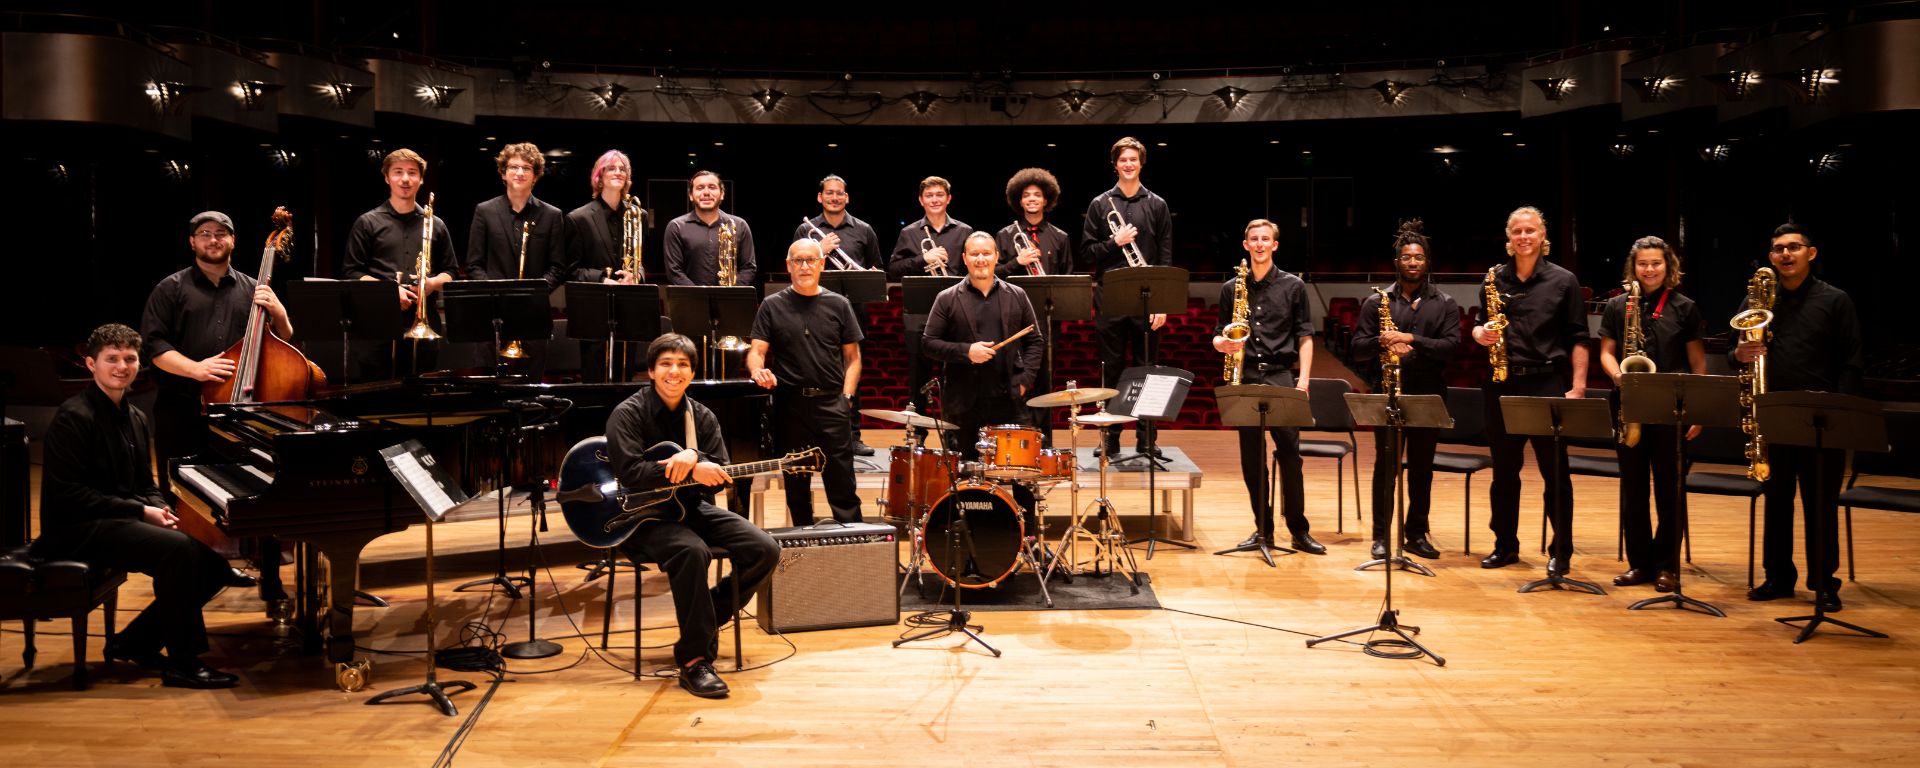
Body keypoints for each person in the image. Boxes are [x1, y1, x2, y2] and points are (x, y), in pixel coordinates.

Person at [33, 324, 247, 689]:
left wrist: (160, 509)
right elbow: (69, 496)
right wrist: (140, 513)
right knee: (178, 551)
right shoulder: (74, 417)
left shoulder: (135, 416)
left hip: (113, 520)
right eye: (111, 359)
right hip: (75, 529)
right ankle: (183, 663)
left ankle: (135, 642)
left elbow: (144, 484)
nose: (122, 366)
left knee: (212, 565)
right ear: (91, 364)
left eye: (129, 358)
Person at [607, 333, 778, 699]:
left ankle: (706, 615)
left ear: (692, 373)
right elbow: (630, 474)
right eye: (666, 363)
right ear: (651, 371)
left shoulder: (701, 416)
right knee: (692, 551)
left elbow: (720, 473)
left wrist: (703, 467)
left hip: (690, 507)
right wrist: (686, 465)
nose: (674, 371)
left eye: (683, 365)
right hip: (641, 517)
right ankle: (694, 660)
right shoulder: (628, 413)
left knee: (765, 548)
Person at [141, 210, 294, 600]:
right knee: (185, 496)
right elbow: (155, 346)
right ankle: (191, 575)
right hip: (183, 408)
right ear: (192, 242)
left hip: (241, 413)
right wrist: (196, 369)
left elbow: (286, 339)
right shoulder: (170, 288)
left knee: (257, 493)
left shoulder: (252, 287)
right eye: (204, 234)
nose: (213, 240)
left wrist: (276, 309)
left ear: (233, 241)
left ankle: (271, 578)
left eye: (221, 233)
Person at [1737, 223, 1863, 612]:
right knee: (1776, 499)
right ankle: (1778, 578)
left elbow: (1852, 361)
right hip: (1772, 413)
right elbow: (1734, 349)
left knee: (1820, 503)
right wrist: (1738, 354)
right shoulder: (1757, 300)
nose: (1785, 254)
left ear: (1811, 253)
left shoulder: (1835, 300)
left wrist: (1840, 413)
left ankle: (1825, 583)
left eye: (1793, 247)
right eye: (1777, 249)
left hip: (1820, 418)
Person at [1470, 206, 1590, 575]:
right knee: (1504, 473)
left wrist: (1579, 387)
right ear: (1509, 237)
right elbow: (1478, 323)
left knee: (1556, 473)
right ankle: (1505, 545)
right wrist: (1479, 333)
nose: (1524, 237)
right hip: (1501, 384)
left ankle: (1562, 551)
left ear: (1543, 236)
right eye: (1517, 231)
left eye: (1530, 230)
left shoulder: (1563, 280)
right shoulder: (1494, 279)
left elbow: (1579, 338)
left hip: (1545, 382)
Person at [1598, 236, 1708, 591]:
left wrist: (1698, 409)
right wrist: (1619, 376)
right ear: (1634, 267)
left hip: (1671, 409)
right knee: (1633, 490)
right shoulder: (1618, 306)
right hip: (1628, 406)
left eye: (1656, 263)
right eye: (1643, 264)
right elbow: (1606, 352)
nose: (1649, 269)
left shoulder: (1685, 307)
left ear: (1668, 266)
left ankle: (1667, 566)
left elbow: (1697, 363)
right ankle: (1640, 564)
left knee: (1669, 491)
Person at [1211, 220, 1324, 555]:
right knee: (1251, 458)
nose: (1259, 244)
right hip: (1244, 377)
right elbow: (1219, 332)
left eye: (1265, 239)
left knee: (1290, 455)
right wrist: (1221, 345)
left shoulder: (1293, 286)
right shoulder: (1231, 287)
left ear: (1275, 245)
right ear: (1245, 245)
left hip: (1280, 376)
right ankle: (1263, 530)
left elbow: (1305, 336)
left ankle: (1298, 530)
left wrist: (1303, 380)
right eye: (1253, 239)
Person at [1350, 220, 1459, 560]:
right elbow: (1358, 348)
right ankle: (1381, 536)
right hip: (1388, 392)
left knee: (1423, 469)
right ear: (1396, 262)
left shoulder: (1445, 303)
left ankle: (1416, 534)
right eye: (1406, 257)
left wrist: (1411, 339)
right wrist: (1384, 340)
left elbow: (1451, 347)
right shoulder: (1376, 302)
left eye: (1419, 257)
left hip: (1428, 393)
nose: (1413, 262)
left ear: (1428, 262)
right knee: (1386, 467)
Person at [745, 240, 865, 525]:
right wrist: (757, 371)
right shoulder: (772, 306)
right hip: (790, 405)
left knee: (842, 484)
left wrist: (846, 398)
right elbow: (756, 352)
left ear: (822, 264)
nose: (805, 266)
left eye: (811, 260)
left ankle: (854, 545)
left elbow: (853, 358)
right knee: (796, 486)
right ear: (789, 266)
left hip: (832, 402)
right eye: (798, 261)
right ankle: (803, 547)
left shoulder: (840, 305)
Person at [1079, 137, 1173, 457]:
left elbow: (1165, 255)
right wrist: (1114, 242)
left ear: (1141, 163)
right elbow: (1088, 252)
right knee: (1112, 369)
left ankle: (1147, 439)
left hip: (1147, 297)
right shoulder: (1100, 204)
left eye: (1134, 159)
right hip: (1110, 297)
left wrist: (1163, 301)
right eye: (1123, 160)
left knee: (1148, 369)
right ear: (1115, 164)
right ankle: (1110, 437)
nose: (1129, 164)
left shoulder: (1157, 204)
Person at [922, 232, 1045, 464]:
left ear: (996, 256)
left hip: (1007, 398)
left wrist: (1025, 380)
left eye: (986, 253)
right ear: (965, 258)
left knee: (1019, 472)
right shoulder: (947, 298)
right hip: (964, 401)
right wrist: (967, 352)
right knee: (966, 475)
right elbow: (929, 343)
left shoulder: (1017, 295)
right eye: (975, 254)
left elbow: (1035, 341)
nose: (981, 259)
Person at [341, 148, 457, 379]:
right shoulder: (367, 222)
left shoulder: (436, 224)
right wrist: (388, 291)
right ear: (387, 177)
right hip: (376, 326)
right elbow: (351, 272)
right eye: (398, 172)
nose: (405, 179)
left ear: (421, 179)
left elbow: (451, 272)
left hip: (424, 323)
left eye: (412, 172)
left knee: (420, 397)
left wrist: (431, 284)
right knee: (375, 395)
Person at [793, 174, 883, 456]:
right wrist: (821, 250)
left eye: (839, 193)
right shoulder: (805, 231)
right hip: (813, 310)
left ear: (847, 197)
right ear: (820, 197)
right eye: (829, 193)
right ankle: (816, 436)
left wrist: (871, 276)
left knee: (853, 372)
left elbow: (877, 269)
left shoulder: (864, 230)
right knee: (816, 371)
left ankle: (853, 435)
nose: (834, 197)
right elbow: (796, 266)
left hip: (853, 312)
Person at [994, 167, 1074, 443]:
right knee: (1015, 376)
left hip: (1047, 320)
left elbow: (1067, 281)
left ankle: (1045, 439)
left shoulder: (1059, 237)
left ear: (1046, 199)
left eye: (1037, 195)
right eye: (1026, 195)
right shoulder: (1005, 236)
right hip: (1013, 319)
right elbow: (994, 274)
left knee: (1044, 378)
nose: (1031, 199)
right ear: (1019, 199)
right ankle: (1018, 435)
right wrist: (1019, 262)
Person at [887, 176, 973, 421]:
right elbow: (893, 269)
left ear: (948, 199)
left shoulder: (964, 231)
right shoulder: (909, 232)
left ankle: (956, 434)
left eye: (939, 195)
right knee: (918, 378)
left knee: (957, 376)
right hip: (919, 315)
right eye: (929, 195)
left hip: (956, 313)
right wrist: (924, 259)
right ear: (921, 200)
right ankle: (918, 438)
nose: (934, 199)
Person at [565, 149, 647, 383]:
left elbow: (641, 262)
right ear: (599, 177)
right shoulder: (578, 218)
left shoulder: (637, 215)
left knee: (626, 374)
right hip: (594, 309)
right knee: (594, 378)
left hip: (627, 306)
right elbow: (571, 270)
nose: (618, 172)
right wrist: (603, 278)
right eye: (612, 168)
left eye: (623, 169)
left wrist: (636, 275)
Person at [467, 142, 568, 288]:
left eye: (526, 168)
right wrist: (494, 292)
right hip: (494, 304)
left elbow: (558, 268)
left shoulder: (552, 215)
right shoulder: (484, 211)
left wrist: (534, 294)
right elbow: (474, 264)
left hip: (534, 305)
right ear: (503, 173)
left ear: (535, 176)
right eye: (514, 167)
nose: (520, 173)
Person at [664, 170, 756, 287]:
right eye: (700, 188)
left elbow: (749, 268)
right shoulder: (676, 227)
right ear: (691, 195)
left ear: (722, 194)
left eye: (712, 187)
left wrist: (730, 292)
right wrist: (700, 296)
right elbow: (674, 271)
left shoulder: (740, 225)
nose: (706, 192)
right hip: (689, 302)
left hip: (730, 302)